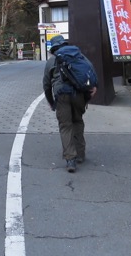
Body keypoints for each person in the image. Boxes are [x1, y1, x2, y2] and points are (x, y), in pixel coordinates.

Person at [42, 35, 98, 172]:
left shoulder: (51, 61)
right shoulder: (79, 56)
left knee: (65, 126)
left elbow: (46, 85)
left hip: (61, 95)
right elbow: (91, 70)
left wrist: (51, 102)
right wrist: (94, 87)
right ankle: (80, 154)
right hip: (79, 94)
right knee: (77, 121)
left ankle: (70, 160)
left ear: (54, 48)